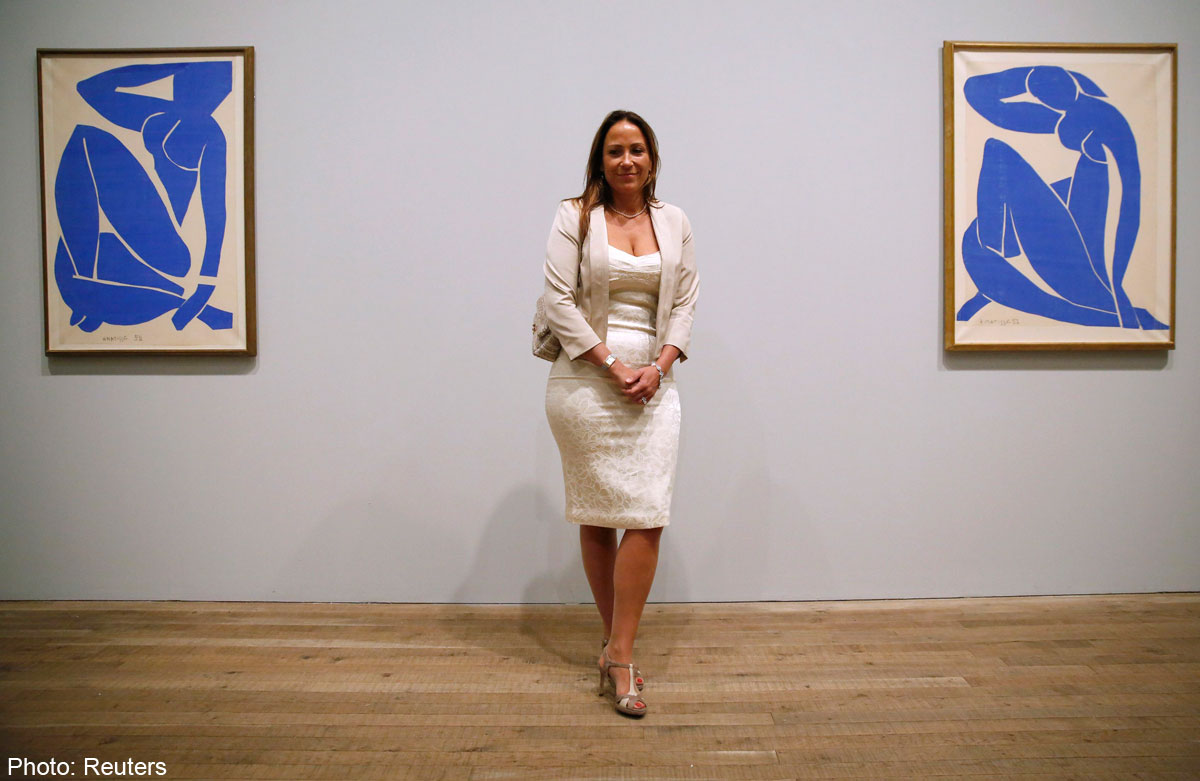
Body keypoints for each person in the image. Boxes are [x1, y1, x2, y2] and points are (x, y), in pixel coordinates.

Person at [542, 110, 698, 717]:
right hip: (585, 380)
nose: (626, 160)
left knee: (646, 514)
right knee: (598, 513)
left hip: (654, 384)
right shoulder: (574, 216)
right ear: (600, 161)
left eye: (636, 149)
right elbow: (558, 300)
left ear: (651, 158)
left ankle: (617, 651)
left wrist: (658, 367)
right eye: (615, 150)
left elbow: (684, 304)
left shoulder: (675, 221)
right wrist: (613, 365)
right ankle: (620, 652)